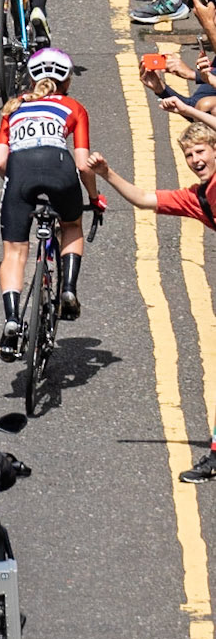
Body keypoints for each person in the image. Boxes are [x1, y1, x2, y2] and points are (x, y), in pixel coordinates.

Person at [91, 106, 216, 479]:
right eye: (188, 155)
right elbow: (146, 198)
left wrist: (184, 108)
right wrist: (107, 174)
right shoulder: (198, 198)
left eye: (201, 151)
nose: (195, 160)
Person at [0, 45, 95, 361]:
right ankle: (68, 289)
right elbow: (83, 164)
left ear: (30, 78)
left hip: (20, 173)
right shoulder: (73, 107)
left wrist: (17, 184)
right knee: (72, 225)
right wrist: (94, 197)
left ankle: (12, 317)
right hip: (59, 168)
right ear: (67, 81)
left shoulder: (13, 107)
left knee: (14, 252)